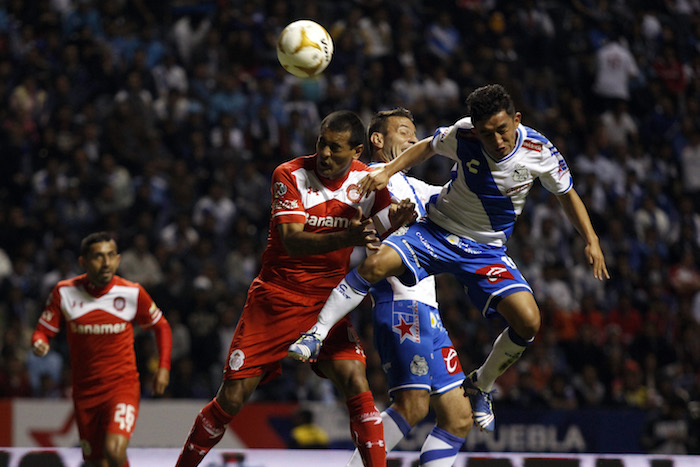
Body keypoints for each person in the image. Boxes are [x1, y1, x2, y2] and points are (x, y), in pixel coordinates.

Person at [289, 84, 610, 434]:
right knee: (375, 265)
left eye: (503, 130)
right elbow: (428, 146)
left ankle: (481, 384)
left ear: (516, 120)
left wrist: (591, 240)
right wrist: (387, 171)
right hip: (438, 231)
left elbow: (566, 194)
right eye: (487, 134)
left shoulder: (539, 151)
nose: (497, 140)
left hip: (486, 250)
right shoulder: (464, 134)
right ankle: (316, 334)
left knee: (529, 322)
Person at [176, 110, 415, 467]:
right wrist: (349, 235)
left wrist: (396, 219)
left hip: (327, 304)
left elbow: (377, 227)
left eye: (336, 148)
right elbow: (292, 241)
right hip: (276, 299)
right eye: (322, 143)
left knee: (355, 380)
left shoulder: (368, 180)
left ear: (357, 151)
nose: (325, 154)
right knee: (232, 399)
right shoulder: (289, 174)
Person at [340, 108, 473, 467]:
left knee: (459, 418)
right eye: (404, 132)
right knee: (412, 406)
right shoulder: (366, 177)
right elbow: (354, 215)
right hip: (399, 304)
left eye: (416, 136)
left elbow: (456, 199)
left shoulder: (415, 186)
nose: (413, 141)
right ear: (377, 140)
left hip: (428, 310)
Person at [31, 231, 172, 467]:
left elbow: (162, 326)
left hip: (121, 386)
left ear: (118, 260)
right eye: (98, 256)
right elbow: (43, 330)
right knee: (98, 462)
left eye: (110, 256)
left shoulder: (132, 292)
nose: (106, 263)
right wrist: (40, 341)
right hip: (85, 392)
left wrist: (164, 367)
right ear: (83, 262)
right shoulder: (64, 292)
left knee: (114, 450)